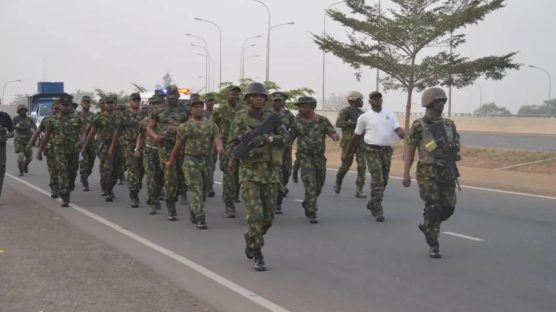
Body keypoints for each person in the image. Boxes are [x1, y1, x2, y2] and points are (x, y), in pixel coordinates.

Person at [227, 82, 289, 271]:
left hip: (270, 172)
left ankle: (251, 240)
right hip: (249, 172)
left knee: (268, 217)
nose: (258, 99)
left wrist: (268, 139)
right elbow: (231, 142)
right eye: (254, 96)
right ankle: (258, 254)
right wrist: (233, 156)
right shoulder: (240, 118)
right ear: (248, 99)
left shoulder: (273, 118)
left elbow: (286, 139)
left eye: (261, 96)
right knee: (255, 215)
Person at [403, 87, 461, 259]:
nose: (442, 103)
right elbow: (410, 149)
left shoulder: (450, 124)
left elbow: (457, 143)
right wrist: (406, 173)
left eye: (443, 100)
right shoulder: (418, 125)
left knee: (449, 208)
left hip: (447, 169)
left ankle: (428, 224)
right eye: (438, 100)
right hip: (428, 170)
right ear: (429, 102)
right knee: (434, 206)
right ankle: (433, 244)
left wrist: (454, 148)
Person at [343, 91, 405, 222]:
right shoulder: (364, 117)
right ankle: (377, 208)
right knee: (377, 178)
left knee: (385, 180)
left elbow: (397, 127)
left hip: (387, 151)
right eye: (373, 98)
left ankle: (372, 202)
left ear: (382, 100)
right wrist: (348, 153)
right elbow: (356, 137)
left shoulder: (390, 114)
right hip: (371, 150)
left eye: (379, 98)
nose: (377, 100)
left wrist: (401, 132)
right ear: (369, 101)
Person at [166, 100, 223, 229]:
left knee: (204, 190)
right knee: (196, 188)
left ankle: (194, 208)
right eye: (195, 107)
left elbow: (217, 139)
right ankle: (200, 218)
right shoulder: (185, 127)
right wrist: (171, 160)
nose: (198, 109)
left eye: (200, 107)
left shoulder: (211, 125)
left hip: (206, 161)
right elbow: (178, 145)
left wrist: (219, 149)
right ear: (191, 110)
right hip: (191, 160)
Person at [291, 97, 340, 223]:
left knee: (319, 186)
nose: (300, 109)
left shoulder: (322, 121)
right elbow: (289, 139)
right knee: (310, 185)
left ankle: (308, 202)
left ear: (312, 107)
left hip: (319, 158)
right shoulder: (297, 122)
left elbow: (331, 132)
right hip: (304, 157)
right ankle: (312, 211)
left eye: (303, 106)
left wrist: (335, 136)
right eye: (299, 106)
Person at [147, 88, 188, 221]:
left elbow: (192, 125)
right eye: (170, 95)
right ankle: (171, 206)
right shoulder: (158, 111)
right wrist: (155, 136)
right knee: (170, 177)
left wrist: (180, 129)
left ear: (178, 96)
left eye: (175, 95)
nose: (172, 98)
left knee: (182, 176)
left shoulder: (185, 111)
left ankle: (178, 194)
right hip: (165, 147)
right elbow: (149, 127)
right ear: (166, 97)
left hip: (182, 147)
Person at [37, 95, 82, 207]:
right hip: (58, 151)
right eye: (64, 105)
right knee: (63, 172)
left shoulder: (76, 119)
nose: (66, 107)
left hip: (73, 149)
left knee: (72, 172)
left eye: (68, 105)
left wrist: (82, 140)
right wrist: (40, 151)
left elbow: (83, 131)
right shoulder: (52, 120)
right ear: (60, 106)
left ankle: (69, 187)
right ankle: (65, 196)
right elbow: (46, 136)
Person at [81, 96, 122, 202]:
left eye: (111, 102)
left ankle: (110, 187)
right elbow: (91, 133)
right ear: (104, 105)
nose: (109, 104)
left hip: (118, 145)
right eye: (107, 103)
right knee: (106, 169)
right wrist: (85, 146)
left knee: (116, 170)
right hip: (104, 146)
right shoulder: (99, 118)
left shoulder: (119, 116)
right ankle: (108, 190)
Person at [212, 85, 242, 218]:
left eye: (237, 94)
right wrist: (216, 146)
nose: (235, 97)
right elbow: (214, 128)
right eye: (232, 94)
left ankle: (235, 194)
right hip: (226, 145)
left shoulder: (244, 110)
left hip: (242, 145)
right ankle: (229, 204)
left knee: (239, 175)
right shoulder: (219, 111)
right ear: (227, 96)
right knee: (229, 175)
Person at [113, 93, 146, 208]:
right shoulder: (124, 115)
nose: (136, 101)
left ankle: (137, 186)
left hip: (142, 144)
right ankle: (134, 194)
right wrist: (113, 146)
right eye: (134, 100)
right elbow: (117, 131)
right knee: (133, 169)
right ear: (130, 101)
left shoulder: (144, 115)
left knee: (142, 170)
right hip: (128, 144)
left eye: (138, 100)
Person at [334, 91, 366, 198]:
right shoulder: (345, 111)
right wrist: (352, 123)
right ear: (355, 100)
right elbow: (338, 123)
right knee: (346, 165)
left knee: (362, 166)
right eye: (360, 100)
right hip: (348, 143)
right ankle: (339, 180)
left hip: (360, 143)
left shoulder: (362, 114)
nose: (362, 102)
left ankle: (359, 189)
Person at [136, 95, 165, 215]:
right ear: (149, 106)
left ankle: (157, 195)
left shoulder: (165, 121)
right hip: (149, 151)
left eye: (158, 103)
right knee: (150, 177)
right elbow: (140, 136)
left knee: (161, 178)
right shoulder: (144, 122)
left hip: (162, 152)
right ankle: (152, 202)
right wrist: (137, 148)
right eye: (153, 103)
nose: (155, 106)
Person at [27, 102, 61, 197]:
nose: (56, 111)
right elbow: (37, 132)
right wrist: (30, 144)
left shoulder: (66, 120)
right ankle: (54, 187)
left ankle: (63, 187)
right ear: (52, 110)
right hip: (51, 148)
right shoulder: (46, 120)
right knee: (53, 169)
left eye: (58, 109)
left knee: (64, 170)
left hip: (65, 149)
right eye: (54, 109)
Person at [270, 91, 295, 214]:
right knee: (276, 175)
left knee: (286, 172)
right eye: (275, 100)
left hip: (285, 148)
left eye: (280, 100)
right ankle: (277, 203)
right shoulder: (266, 114)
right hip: (271, 149)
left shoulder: (289, 115)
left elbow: (294, 129)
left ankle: (281, 189)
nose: (277, 103)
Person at [77, 96, 96, 191]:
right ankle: (84, 180)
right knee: (84, 163)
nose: (86, 104)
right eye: (85, 102)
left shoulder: (93, 116)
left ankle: (85, 175)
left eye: (88, 102)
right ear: (81, 104)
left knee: (91, 163)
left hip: (91, 142)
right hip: (81, 142)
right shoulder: (77, 116)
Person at [13, 104, 36, 176]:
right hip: (19, 140)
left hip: (28, 140)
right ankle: (21, 170)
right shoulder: (16, 118)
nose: (23, 111)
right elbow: (11, 126)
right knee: (20, 156)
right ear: (18, 111)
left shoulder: (30, 119)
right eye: (21, 110)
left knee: (29, 158)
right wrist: (18, 127)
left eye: (24, 110)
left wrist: (36, 134)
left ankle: (25, 165)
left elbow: (35, 127)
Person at [204, 92, 217, 198]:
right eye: (209, 100)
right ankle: (204, 186)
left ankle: (209, 186)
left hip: (213, 143)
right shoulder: (202, 113)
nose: (210, 102)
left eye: (212, 100)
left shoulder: (217, 114)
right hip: (201, 143)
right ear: (205, 101)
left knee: (211, 166)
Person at [0, 108, 14, 197]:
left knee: (1, 170)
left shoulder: (5, 116)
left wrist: (5, 136)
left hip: (1, 148)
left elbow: (12, 132)